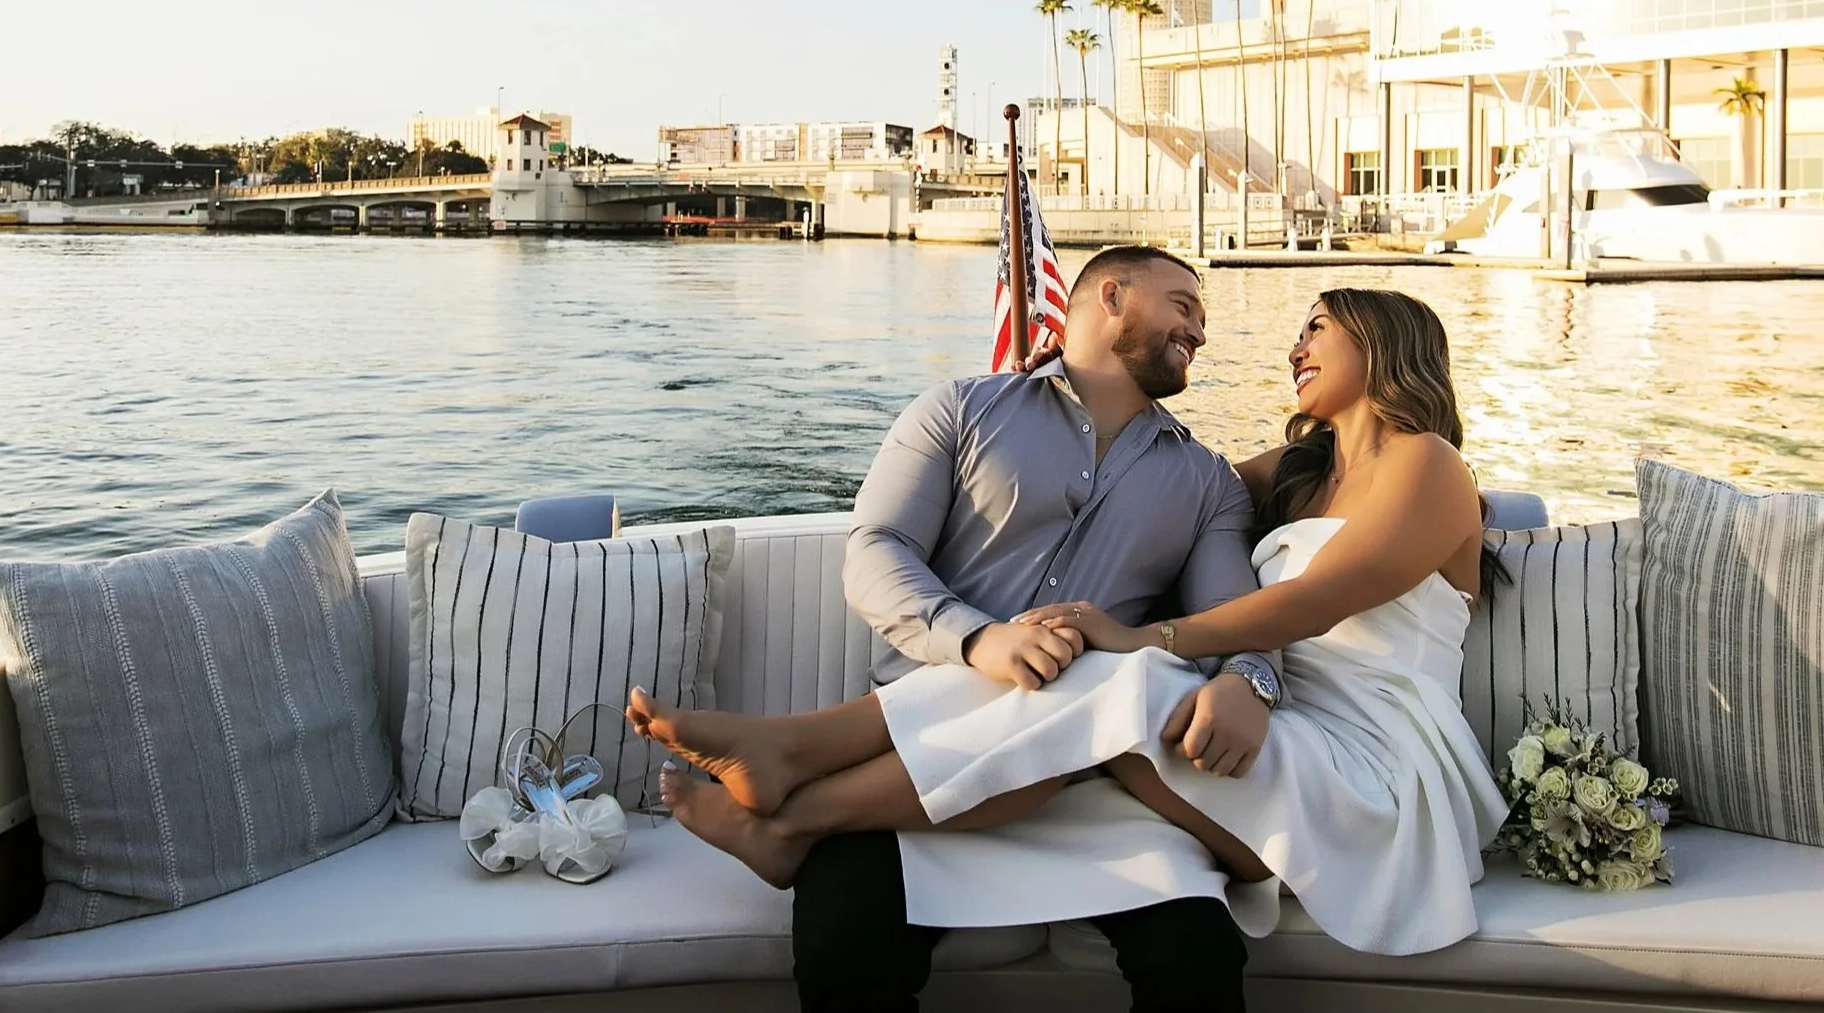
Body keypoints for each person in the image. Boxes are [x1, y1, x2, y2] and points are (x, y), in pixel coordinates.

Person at [632, 284, 1508, 999]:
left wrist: (1177, 650)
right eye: (1186, 307)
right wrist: (1053, 407)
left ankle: (793, 785)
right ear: (1110, 297)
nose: (1292, 347)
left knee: (1105, 672)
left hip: (1365, 760)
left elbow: (1310, 603)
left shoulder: (1429, 464)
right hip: (1226, 744)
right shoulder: (1288, 472)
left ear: (1386, 341)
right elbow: (1173, 488)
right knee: (1068, 665)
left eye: (1316, 327)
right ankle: (791, 772)